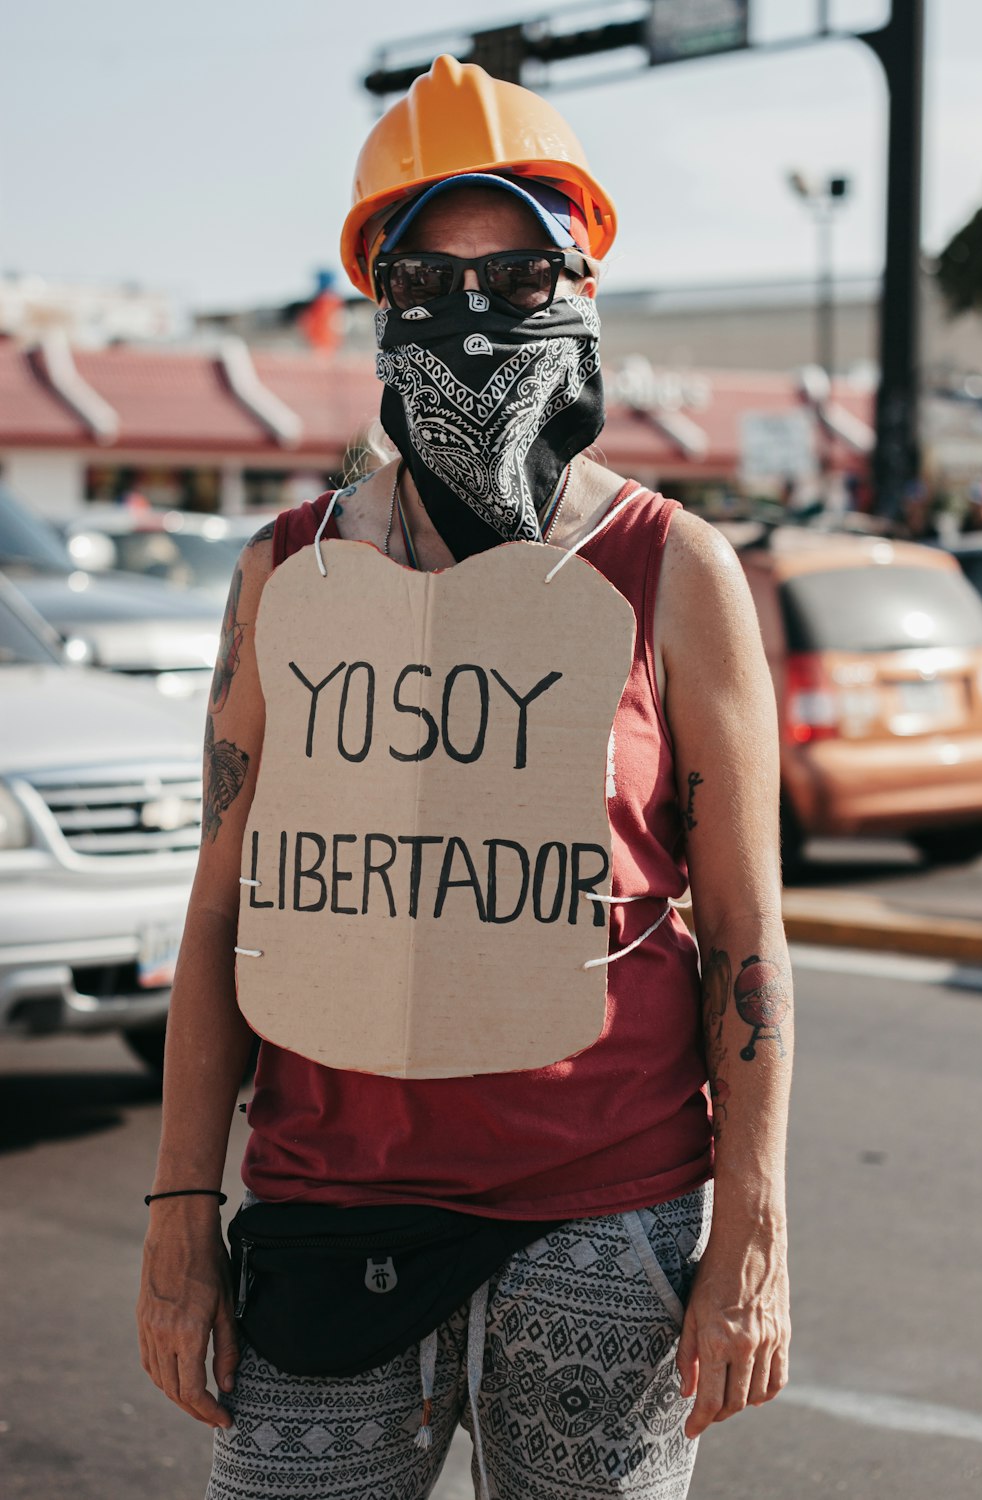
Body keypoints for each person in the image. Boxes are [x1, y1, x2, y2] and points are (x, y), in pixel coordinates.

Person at [137, 55, 792, 1500]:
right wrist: (183, 1206)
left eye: (519, 279)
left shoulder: (672, 572)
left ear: (585, 293)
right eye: (432, 283)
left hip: (604, 1209)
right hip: (328, 1204)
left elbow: (744, 927)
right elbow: (219, 910)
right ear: (380, 309)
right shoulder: (289, 576)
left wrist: (751, 1225)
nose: (475, 323)